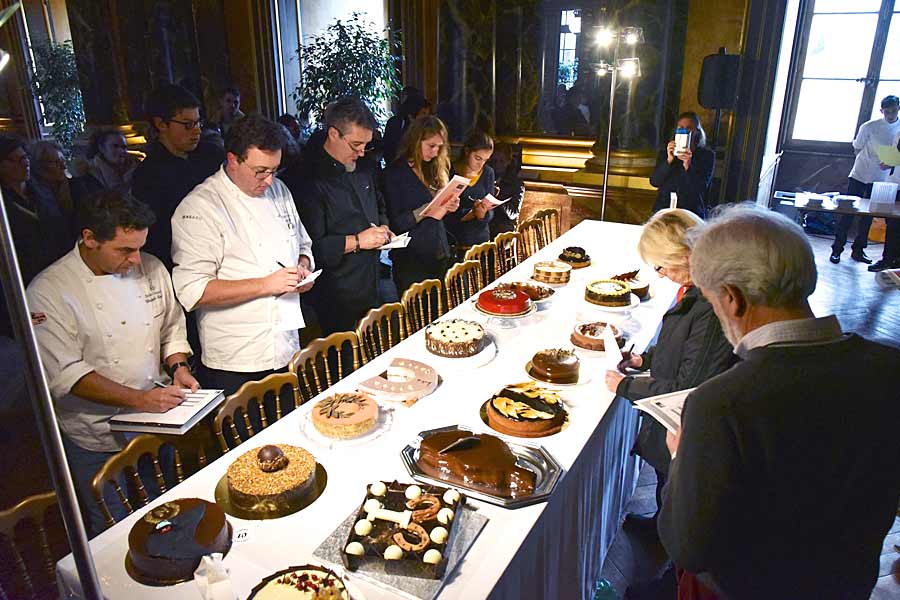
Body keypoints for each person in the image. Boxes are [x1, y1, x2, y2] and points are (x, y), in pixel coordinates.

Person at [659, 205, 900, 600]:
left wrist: (679, 458)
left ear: (732, 299)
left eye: (711, 299)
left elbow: (688, 546)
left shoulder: (720, 404)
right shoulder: (890, 367)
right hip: (847, 586)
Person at [26, 189, 197, 535]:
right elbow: (69, 375)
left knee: (166, 507)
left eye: (140, 247)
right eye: (125, 250)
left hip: (154, 421)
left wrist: (178, 368)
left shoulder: (151, 267)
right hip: (94, 433)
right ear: (89, 238)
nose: (137, 259)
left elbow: (171, 327)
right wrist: (140, 400)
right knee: (113, 525)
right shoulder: (48, 291)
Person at [604, 209, 735, 538]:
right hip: (677, 422)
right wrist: (642, 360)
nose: (661, 276)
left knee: (677, 490)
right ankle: (661, 526)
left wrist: (626, 386)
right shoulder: (697, 290)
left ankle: (666, 549)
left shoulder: (709, 304)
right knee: (666, 487)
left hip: (686, 422)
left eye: (662, 266)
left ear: (685, 254)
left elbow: (687, 385)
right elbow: (681, 348)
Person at [171, 114, 316, 395]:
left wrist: (303, 268)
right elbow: (192, 291)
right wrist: (265, 285)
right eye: (260, 171)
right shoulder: (200, 207)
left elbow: (303, 244)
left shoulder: (280, 190)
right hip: (237, 356)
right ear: (233, 160)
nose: (269, 179)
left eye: (275, 170)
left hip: (286, 341)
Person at [281, 97, 393, 335]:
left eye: (366, 145)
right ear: (333, 134)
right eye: (355, 145)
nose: (362, 152)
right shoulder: (306, 177)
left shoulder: (366, 166)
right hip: (335, 291)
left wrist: (384, 228)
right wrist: (359, 241)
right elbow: (312, 247)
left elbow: (379, 204)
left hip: (371, 281)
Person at [131, 84, 225, 270]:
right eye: (188, 124)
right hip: (182, 262)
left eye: (198, 122)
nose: (197, 130)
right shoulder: (147, 175)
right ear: (161, 124)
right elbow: (155, 235)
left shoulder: (213, 155)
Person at [383, 115, 459, 294]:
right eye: (431, 146)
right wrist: (427, 210)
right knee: (415, 317)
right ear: (416, 141)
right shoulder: (394, 174)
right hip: (411, 259)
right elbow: (396, 223)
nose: (435, 153)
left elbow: (441, 218)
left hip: (439, 252)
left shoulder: (433, 168)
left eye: (440, 147)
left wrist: (449, 207)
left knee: (440, 312)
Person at [830, 95, 900, 265]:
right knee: (848, 212)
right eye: (887, 112)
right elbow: (857, 147)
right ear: (881, 111)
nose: (890, 115)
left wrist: (891, 162)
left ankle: (859, 250)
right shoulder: (869, 126)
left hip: (882, 178)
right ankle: (837, 249)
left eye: (894, 111)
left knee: (869, 216)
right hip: (860, 174)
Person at [0, 134, 70, 285]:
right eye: (14, 160)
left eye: (24, 157)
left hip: (60, 270)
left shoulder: (43, 190)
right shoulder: (4, 203)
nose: (24, 163)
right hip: (28, 278)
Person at [650, 112, 715, 218]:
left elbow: (701, 188)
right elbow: (654, 181)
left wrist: (688, 165)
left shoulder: (706, 156)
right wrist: (668, 161)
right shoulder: (665, 152)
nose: (684, 131)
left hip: (690, 212)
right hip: (664, 209)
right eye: (681, 128)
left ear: (697, 132)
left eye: (689, 128)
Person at [445, 131, 497, 259]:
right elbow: (444, 212)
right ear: (467, 151)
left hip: (481, 239)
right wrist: (471, 213)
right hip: (456, 240)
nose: (480, 164)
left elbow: (490, 207)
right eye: (477, 158)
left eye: (485, 160)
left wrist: (483, 214)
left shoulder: (488, 173)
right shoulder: (450, 172)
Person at [868, 127, 900, 272]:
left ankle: (893, 260)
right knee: (892, 223)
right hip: (895, 182)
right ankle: (889, 259)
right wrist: (888, 162)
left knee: (895, 224)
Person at [71, 129, 138, 193]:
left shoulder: (134, 170)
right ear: (102, 148)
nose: (121, 151)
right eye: (115, 146)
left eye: (124, 147)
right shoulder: (89, 176)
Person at [27, 140, 75, 217]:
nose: (63, 167)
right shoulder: (34, 197)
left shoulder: (74, 187)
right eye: (56, 162)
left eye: (63, 161)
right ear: (39, 166)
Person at [383, 93, 432, 165]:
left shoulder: (428, 129)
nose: (427, 117)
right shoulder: (395, 124)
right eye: (423, 113)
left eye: (428, 114)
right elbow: (389, 152)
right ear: (411, 115)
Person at [488, 142, 525, 238]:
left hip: (504, 225)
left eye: (501, 161)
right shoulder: (487, 176)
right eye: (495, 161)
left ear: (508, 161)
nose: (497, 165)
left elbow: (513, 213)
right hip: (487, 221)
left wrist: (498, 197)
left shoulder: (515, 183)